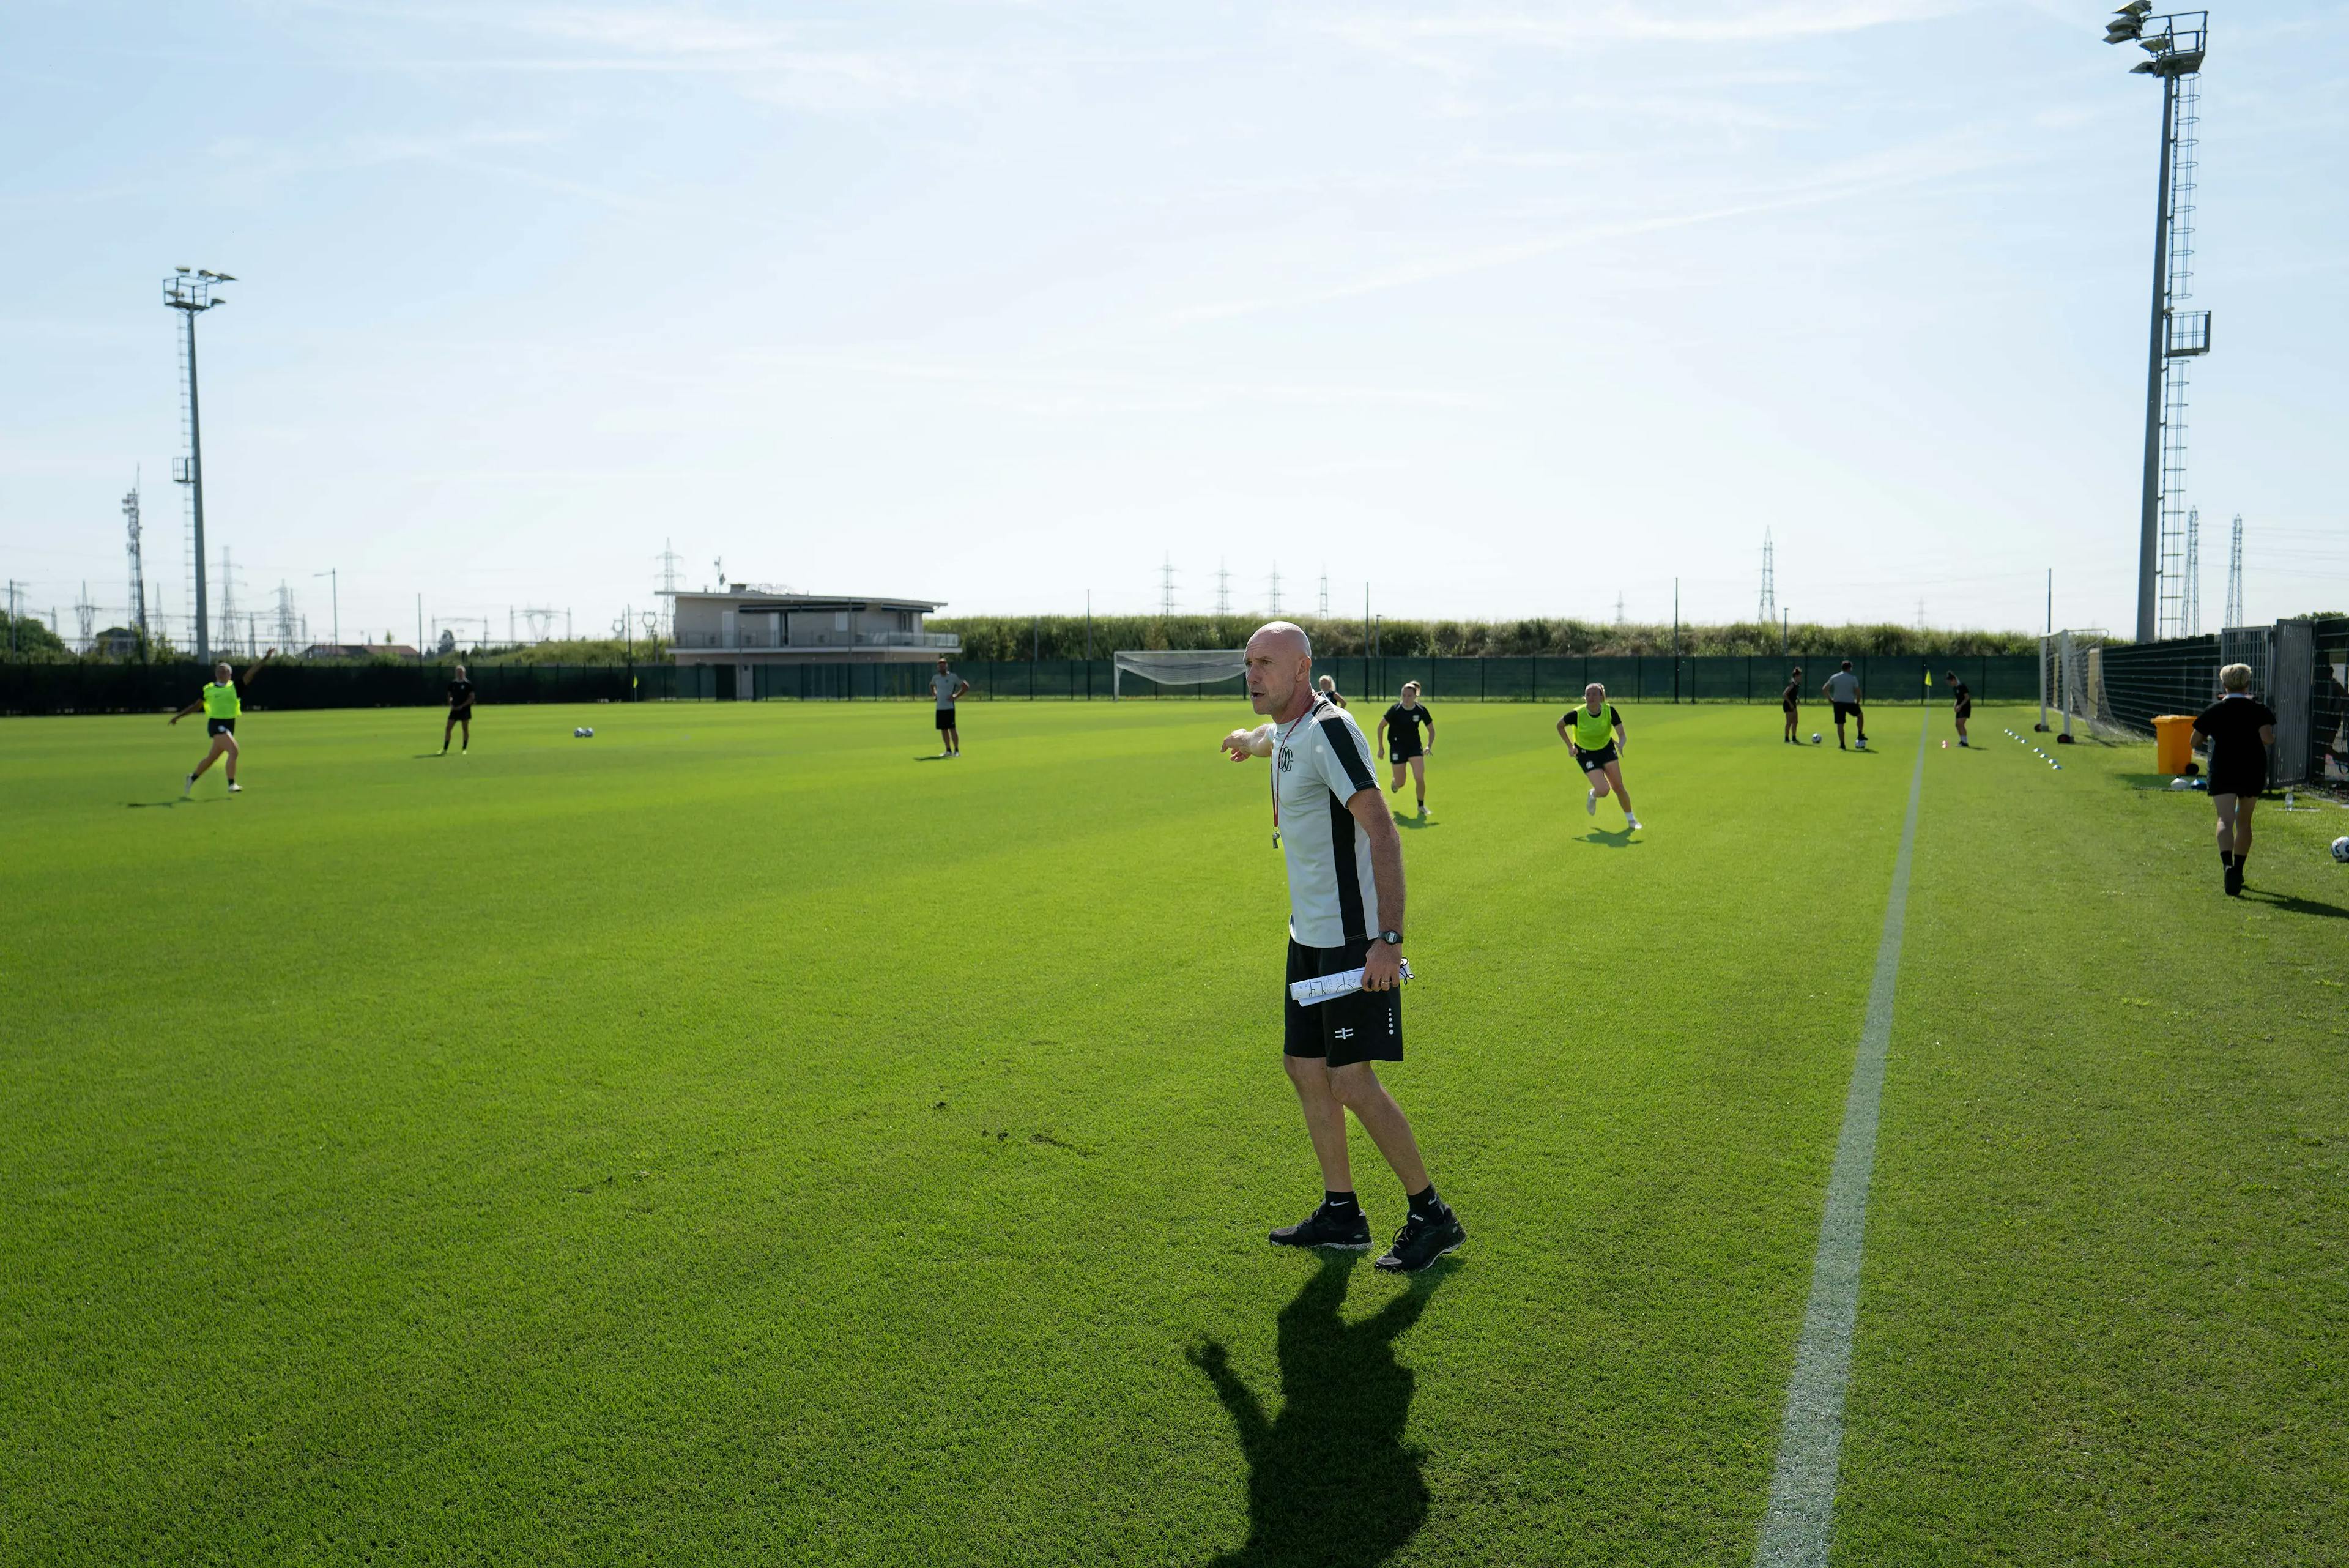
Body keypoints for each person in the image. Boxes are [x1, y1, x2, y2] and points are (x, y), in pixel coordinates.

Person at [1220, 622, 1466, 1274]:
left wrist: (1387, 941)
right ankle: (1342, 1210)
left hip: (1353, 942)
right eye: (1248, 663)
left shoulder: (1330, 728)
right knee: (1303, 1068)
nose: (1253, 674)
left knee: (1350, 1080)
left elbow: (1383, 831)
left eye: (1266, 663)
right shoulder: (1292, 730)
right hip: (1308, 934)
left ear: (1302, 668)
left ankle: (1430, 1213)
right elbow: (1275, 736)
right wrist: (1247, 740)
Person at [2193, 663, 2277, 897]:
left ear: (2224, 685)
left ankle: (2227, 866)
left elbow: (2194, 741)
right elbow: (2267, 739)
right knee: (2245, 822)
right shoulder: (2259, 710)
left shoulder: (2215, 710)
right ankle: (2239, 870)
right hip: (2252, 768)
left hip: (2224, 768)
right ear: (2248, 683)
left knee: (2225, 820)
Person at [171, 649, 275, 797]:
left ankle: (192, 778)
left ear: (230, 675)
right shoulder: (209, 689)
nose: (222, 673)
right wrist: (179, 717)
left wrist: (265, 658)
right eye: (219, 671)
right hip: (215, 725)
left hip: (230, 725)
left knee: (212, 758)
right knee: (234, 750)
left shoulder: (235, 687)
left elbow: (250, 674)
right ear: (216, 674)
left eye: (225, 671)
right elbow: (196, 706)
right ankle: (231, 784)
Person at [1558, 683, 1641, 830]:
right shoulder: (1578, 714)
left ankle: (1631, 820)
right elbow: (1560, 725)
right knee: (1604, 790)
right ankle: (1593, 795)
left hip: (1607, 750)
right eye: (1588, 694)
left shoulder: (1610, 711)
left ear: (1601, 696)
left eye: (1594, 694)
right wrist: (1570, 746)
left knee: (1618, 787)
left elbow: (1622, 734)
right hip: (1586, 754)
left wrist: (1621, 743)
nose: (1591, 697)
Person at [1377, 682, 1434, 817]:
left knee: (1420, 777)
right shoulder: (1395, 710)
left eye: (1409, 696)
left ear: (1415, 696)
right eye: (1404, 695)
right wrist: (1381, 748)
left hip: (1415, 747)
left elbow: (1432, 731)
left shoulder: (1420, 710)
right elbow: (1380, 727)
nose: (1406, 698)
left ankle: (1421, 806)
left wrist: (1428, 746)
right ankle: (1395, 783)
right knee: (1400, 783)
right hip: (1397, 747)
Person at [1822, 661, 1867, 750]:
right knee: (1860, 716)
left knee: (1840, 725)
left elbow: (1824, 689)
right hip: (1850, 703)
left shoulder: (1834, 677)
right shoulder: (1853, 678)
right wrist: (1857, 703)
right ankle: (1860, 734)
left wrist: (1830, 699)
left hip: (1838, 703)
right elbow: (1859, 694)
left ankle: (1842, 744)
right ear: (1849, 668)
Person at [931, 656, 970, 756]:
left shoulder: (952, 677)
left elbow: (965, 686)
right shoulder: (936, 678)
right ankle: (948, 750)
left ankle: (956, 750)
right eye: (940, 666)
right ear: (938, 668)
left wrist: (956, 696)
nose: (941, 667)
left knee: (952, 728)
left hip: (949, 707)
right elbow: (932, 685)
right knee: (943, 730)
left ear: (946, 666)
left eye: (943, 665)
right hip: (940, 708)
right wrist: (935, 695)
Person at [441, 664, 478, 755]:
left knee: (465, 729)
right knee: (448, 728)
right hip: (454, 709)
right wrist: (451, 704)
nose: (459, 674)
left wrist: (462, 706)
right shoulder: (452, 684)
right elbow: (449, 696)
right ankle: (445, 749)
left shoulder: (468, 684)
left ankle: (464, 748)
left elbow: (472, 698)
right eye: (458, 672)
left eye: (461, 672)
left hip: (464, 709)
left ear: (464, 673)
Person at [1945, 669, 1972, 748]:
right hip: (1959, 708)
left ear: (1954, 680)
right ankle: (1962, 741)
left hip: (1965, 707)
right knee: (1957, 725)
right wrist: (1955, 705)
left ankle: (1965, 743)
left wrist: (1960, 706)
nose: (1950, 684)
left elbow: (1967, 698)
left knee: (1961, 724)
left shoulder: (1962, 686)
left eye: (1950, 682)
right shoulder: (1955, 688)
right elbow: (1958, 699)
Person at [1782, 666, 1803, 744]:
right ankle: (1786, 738)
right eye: (1800, 676)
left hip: (1793, 704)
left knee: (1795, 721)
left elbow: (1793, 694)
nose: (1801, 677)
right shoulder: (1792, 684)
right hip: (1788, 705)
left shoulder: (1797, 684)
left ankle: (1794, 738)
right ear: (1796, 676)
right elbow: (1784, 694)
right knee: (1789, 722)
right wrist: (1790, 704)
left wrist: (1797, 699)